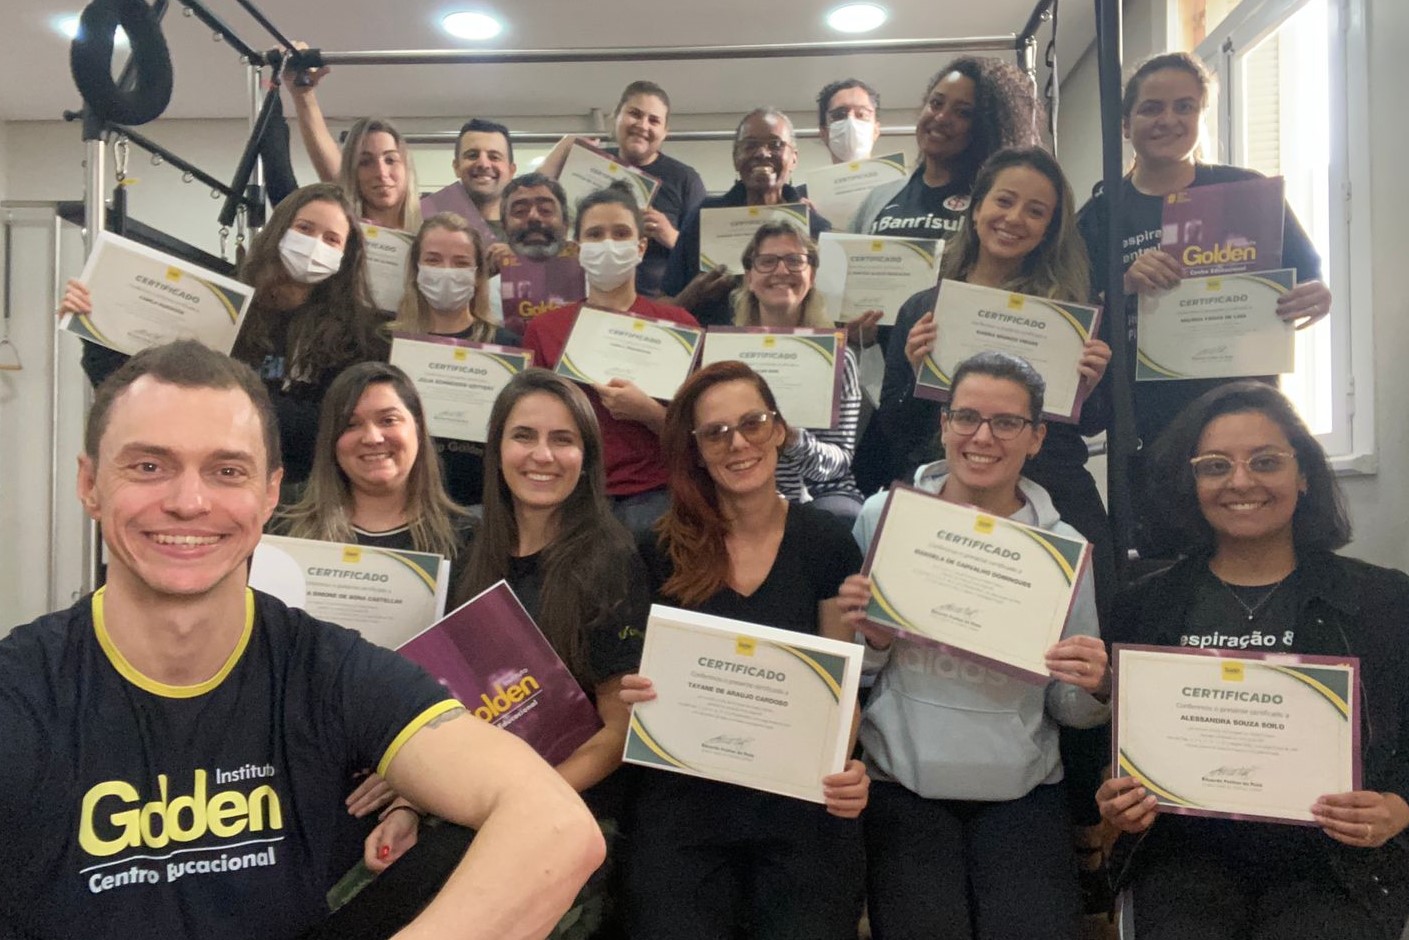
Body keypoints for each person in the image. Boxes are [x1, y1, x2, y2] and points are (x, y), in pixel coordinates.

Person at [0, 340, 604, 939]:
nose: (189, 502)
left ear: (269, 494)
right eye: (149, 467)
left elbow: (556, 826)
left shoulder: (327, 667)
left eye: (227, 471)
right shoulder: (21, 691)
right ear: (90, 484)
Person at [1096, 381, 1409, 940]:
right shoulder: (1143, 605)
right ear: (1191, 483)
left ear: (1303, 474)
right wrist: (1118, 799)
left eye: (1265, 461)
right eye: (1215, 466)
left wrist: (1399, 808)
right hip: (1184, 852)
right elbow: (1123, 751)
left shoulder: (1383, 600)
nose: (1240, 482)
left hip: (1333, 862)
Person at [368, 369, 650, 938]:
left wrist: (520, 807)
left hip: (568, 808)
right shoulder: (466, 550)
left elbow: (618, 734)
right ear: (497, 449)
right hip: (470, 799)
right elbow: (444, 704)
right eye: (524, 436)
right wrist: (408, 805)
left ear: (586, 459)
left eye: (563, 439)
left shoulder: (611, 560)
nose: (542, 455)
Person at [839, 350, 1110, 940]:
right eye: (966, 417)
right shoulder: (883, 518)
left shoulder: (1064, 549)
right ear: (943, 426)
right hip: (900, 782)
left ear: (1036, 438)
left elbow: (1067, 706)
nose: (982, 437)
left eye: (1006, 422)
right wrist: (874, 641)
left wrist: (1094, 689)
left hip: (1023, 788)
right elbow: (848, 681)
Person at [620, 360, 871, 940]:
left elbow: (840, 693)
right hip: (686, 800)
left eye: (753, 423)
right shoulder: (657, 548)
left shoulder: (828, 542)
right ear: (696, 451)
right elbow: (637, 682)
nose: (738, 444)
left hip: (797, 801)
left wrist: (843, 765)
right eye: (716, 433)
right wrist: (634, 690)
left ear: (779, 430)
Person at [1075, 52, 1332, 552]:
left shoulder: (1247, 192)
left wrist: (1316, 296)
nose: (1168, 119)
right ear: (1126, 124)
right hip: (1148, 422)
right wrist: (1122, 285)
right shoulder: (1100, 216)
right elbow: (1079, 317)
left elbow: (1306, 279)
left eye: (1184, 106)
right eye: (1151, 108)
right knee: (1167, 563)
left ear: (1201, 115)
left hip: (1246, 405)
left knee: (1261, 547)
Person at [877, 147, 1113, 604]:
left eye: (1036, 211)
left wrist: (1089, 387)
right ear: (976, 207)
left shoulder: (1071, 316)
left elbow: (1091, 425)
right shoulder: (923, 310)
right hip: (948, 492)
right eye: (1004, 201)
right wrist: (916, 373)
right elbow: (895, 430)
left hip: (1053, 493)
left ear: (1050, 229)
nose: (1015, 218)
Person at [60, 183, 388, 489]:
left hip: (306, 497)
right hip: (212, 484)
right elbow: (133, 393)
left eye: (331, 239)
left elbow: (332, 429)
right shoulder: (219, 307)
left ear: (346, 255)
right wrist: (94, 325)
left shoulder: (359, 337)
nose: (315, 244)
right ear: (279, 230)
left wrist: (218, 401)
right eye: (304, 228)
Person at [523, 185, 699, 537]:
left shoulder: (679, 327)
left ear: (641, 247)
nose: (608, 244)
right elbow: (529, 425)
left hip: (657, 494)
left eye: (620, 234)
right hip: (573, 494)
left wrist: (649, 413)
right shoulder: (545, 330)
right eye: (595, 234)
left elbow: (702, 438)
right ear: (578, 250)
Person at [279, 360, 471, 570]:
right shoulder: (283, 530)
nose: (372, 438)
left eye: (388, 420)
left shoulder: (467, 538)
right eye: (351, 425)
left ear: (418, 426)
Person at [385, 212, 519, 508]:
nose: (447, 271)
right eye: (433, 260)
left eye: (460, 263)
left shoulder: (507, 347)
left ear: (478, 275)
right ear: (415, 269)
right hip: (404, 501)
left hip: (483, 504)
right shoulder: (387, 345)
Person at [733, 221, 863, 521]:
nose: (781, 271)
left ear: (812, 275)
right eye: (767, 261)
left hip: (821, 490)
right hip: (743, 483)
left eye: (794, 260)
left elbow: (839, 463)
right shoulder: (724, 354)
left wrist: (792, 439)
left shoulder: (838, 358)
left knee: (836, 518)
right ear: (750, 278)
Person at [663, 107, 832, 328]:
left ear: (794, 159)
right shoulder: (702, 219)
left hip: (794, 347)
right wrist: (692, 296)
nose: (762, 153)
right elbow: (666, 302)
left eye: (776, 144)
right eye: (750, 145)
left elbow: (831, 311)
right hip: (714, 345)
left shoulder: (815, 228)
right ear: (736, 158)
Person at [538, 80, 708, 297]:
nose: (643, 125)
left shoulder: (685, 180)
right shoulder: (588, 162)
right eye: (635, 114)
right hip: (580, 296)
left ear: (665, 132)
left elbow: (707, 259)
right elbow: (531, 195)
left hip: (656, 304)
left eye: (654, 120)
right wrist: (564, 146)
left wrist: (670, 235)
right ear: (616, 116)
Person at [851, 56, 1040, 240]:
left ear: (988, 127)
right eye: (936, 103)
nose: (941, 117)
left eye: (962, 112)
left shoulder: (998, 205)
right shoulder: (880, 198)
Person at [280, 45, 423, 233]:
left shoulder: (430, 225)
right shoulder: (345, 231)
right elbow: (331, 170)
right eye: (365, 162)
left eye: (390, 160)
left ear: (406, 167)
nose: (381, 173)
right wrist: (303, 94)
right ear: (352, 174)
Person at [489, 173, 585, 337]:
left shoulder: (593, 283)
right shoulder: (488, 293)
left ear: (565, 224)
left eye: (545, 210)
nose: (533, 217)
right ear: (504, 226)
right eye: (520, 211)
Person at [421, 118, 518, 244]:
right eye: (472, 155)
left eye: (494, 157)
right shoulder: (424, 220)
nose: (483, 164)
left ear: (511, 170)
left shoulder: (525, 231)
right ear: (456, 167)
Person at [817, 78, 883, 164]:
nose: (851, 121)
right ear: (824, 133)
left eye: (861, 114)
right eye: (839, 115)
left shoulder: (897, 172)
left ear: (876, 130)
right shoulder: (811, 174)